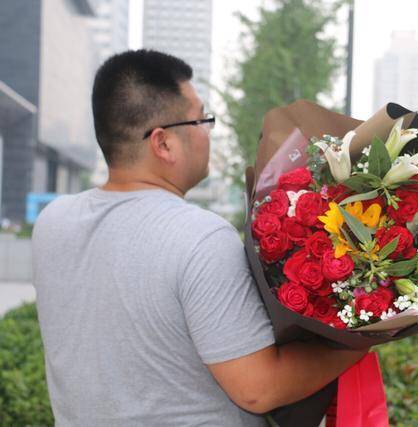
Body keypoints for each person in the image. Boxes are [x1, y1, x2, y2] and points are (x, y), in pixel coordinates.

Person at [32, 49, 367, 426]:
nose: (208, 132)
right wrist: (358, 343)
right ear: (163, 144)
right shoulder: (200, 238)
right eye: (202, 119)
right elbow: (257, 388)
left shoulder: (52, 222)